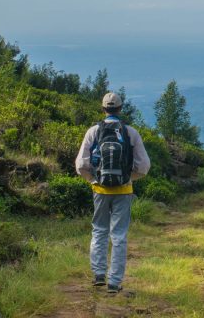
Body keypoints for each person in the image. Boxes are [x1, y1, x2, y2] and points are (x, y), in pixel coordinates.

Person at [75, 92, 151, 293]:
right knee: (119, 235)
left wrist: (92, 180)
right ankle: (114, 282)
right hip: (124, 190)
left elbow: (81, 164)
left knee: (99, 230)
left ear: (103, 108)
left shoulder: (93, 131)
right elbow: (144, 166)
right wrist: (128, 178)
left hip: (100, 189)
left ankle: (99, 274)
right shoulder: (130, 132)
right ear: (120, 109)